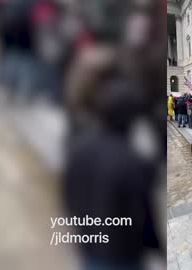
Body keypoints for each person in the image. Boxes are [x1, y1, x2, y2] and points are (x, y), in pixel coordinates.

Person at [63, 76, 159, 270]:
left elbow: (68, 196)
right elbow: (143, 216)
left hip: (90, 246)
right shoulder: (132, 161)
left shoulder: (78, 148)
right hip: (123, 255)